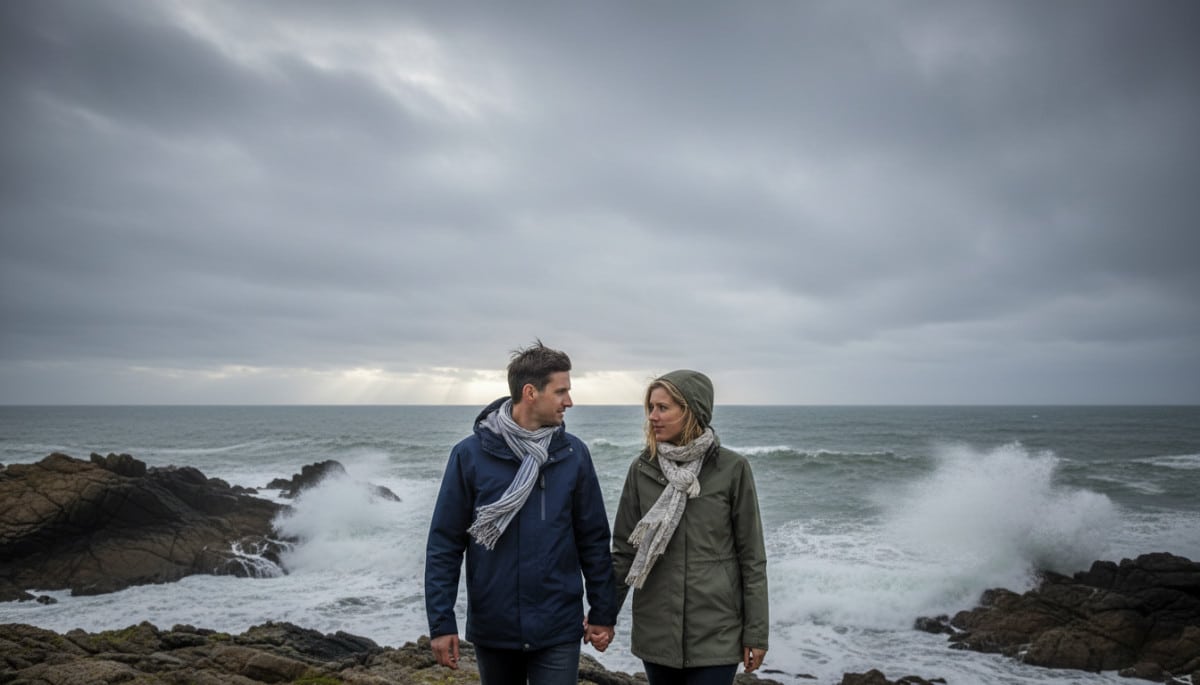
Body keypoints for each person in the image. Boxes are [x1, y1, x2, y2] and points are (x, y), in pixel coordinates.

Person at [425, 341, 617, 685]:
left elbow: (593, 539)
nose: (569, 402)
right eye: (561, 392)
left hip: (558, 626)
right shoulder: (470, 456)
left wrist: (603, 612)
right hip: (494, 627)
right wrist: (441, 623)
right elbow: (445, 544)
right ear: (530, 392)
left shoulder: (573, 454)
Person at [611, 370, 769, 685]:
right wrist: (604, 616)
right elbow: (625, 551)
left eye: (663, 408)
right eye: (651, 408)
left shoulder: (732, 469)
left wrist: (756, 633)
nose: (652, 417)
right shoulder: (643, 468)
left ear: (691, 411)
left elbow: (752, 558)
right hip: (657, 631)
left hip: (717, 632)